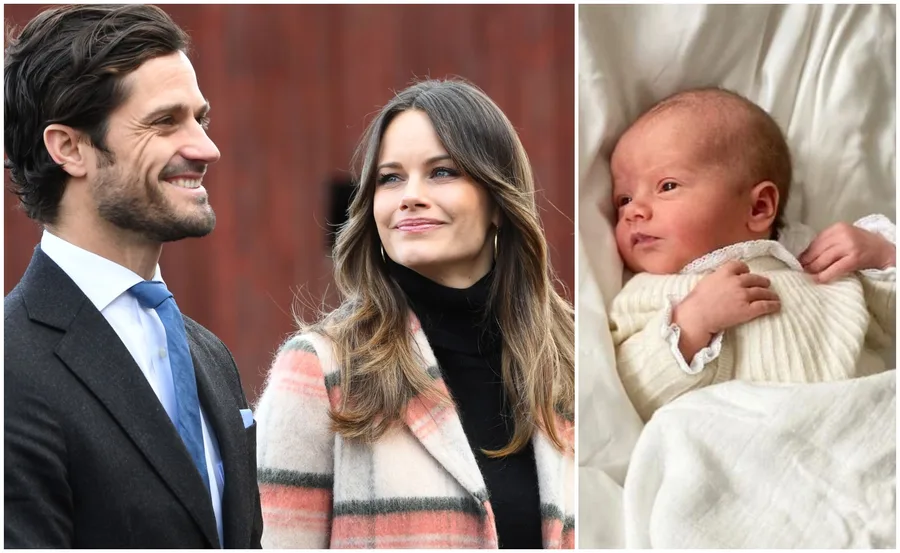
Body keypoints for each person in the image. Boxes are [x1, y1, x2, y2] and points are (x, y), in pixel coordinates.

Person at [255, 79, 575, 549]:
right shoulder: (320, 369)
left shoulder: (572, 360)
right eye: (390, 178)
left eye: (442, 172)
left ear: (499, 202)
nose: (410, 196)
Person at [4, 5, 262, 548]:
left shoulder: (211, 356)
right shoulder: (12, 364)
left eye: (200, 118)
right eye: (165, 122)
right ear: (69, 147)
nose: (205, 148)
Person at [608, 87, 896, 421]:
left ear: (759, 207)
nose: (634, 211)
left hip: (854, 427)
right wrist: (691, 325)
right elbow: (628, 393)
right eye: (624, 199)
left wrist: (881, 254)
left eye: (667, 186)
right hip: (744, 452)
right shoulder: (646, 295)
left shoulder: (820, 269)